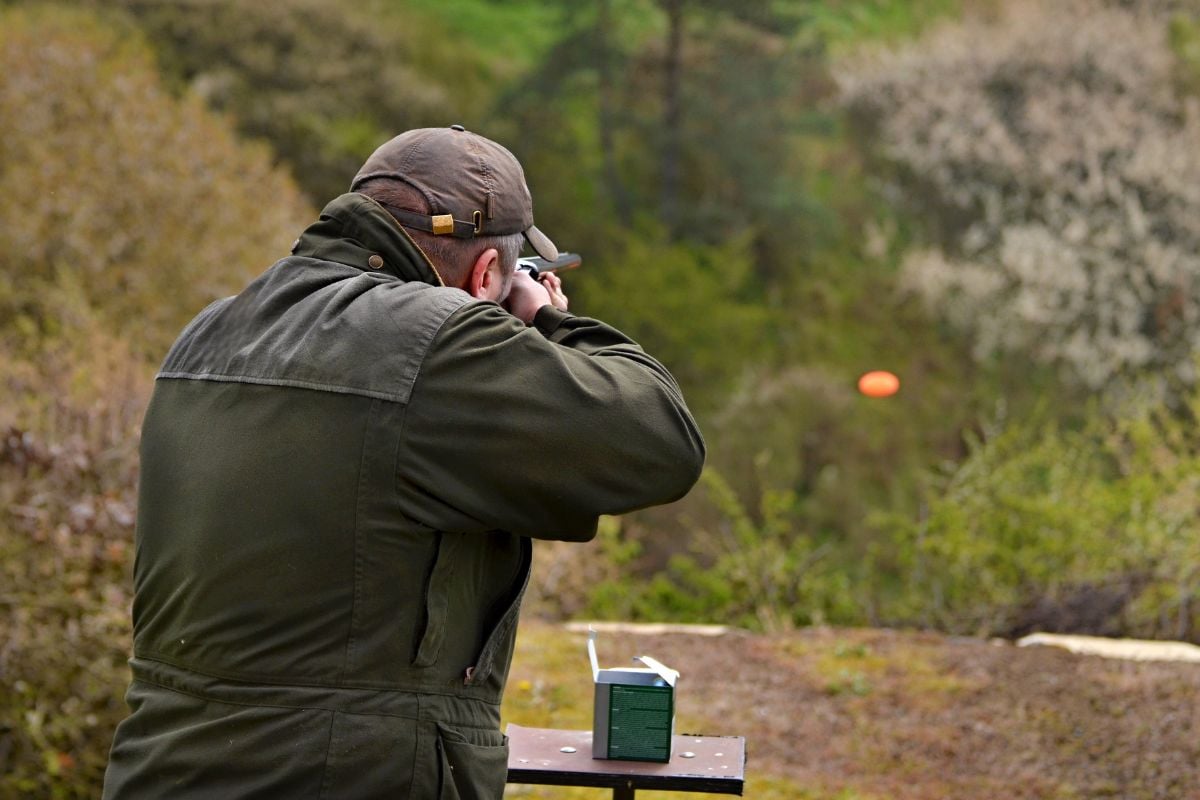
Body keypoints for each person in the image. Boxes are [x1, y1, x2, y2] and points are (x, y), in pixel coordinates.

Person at [102, 126, 706, 799]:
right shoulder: (437, 345)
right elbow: (661, 440)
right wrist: (544, 322)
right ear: (486, 275)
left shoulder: (207, 332)